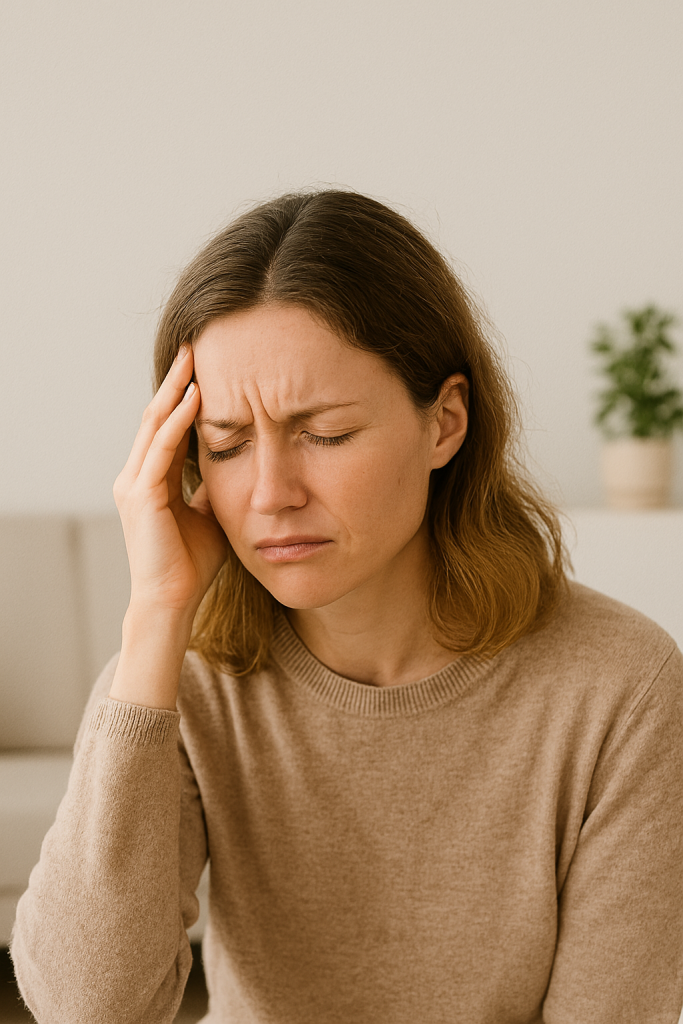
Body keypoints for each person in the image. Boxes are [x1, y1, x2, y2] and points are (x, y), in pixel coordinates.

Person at [10, 190, 683, 1024]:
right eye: (223, 444)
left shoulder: (622, 685)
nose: (269, 495)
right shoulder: (178, 685)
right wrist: (154, 617)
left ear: (444, 422)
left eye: (323, 435)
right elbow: (86, 1009)